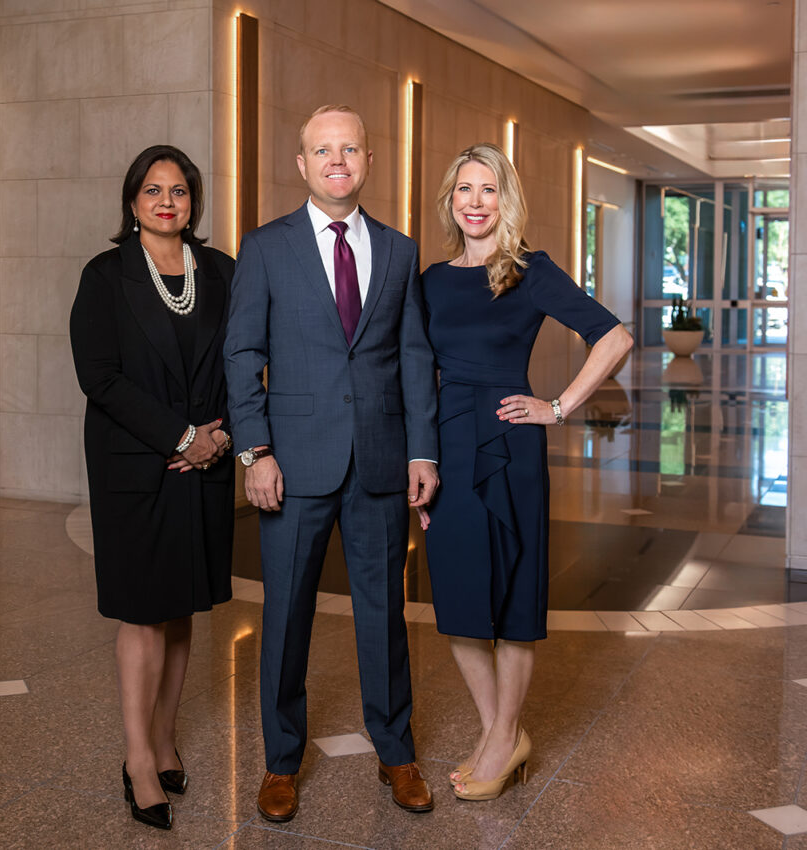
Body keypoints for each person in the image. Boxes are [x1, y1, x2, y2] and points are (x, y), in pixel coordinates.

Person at [224, 105, 440, 822]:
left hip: (379, 464)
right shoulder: (265, 248)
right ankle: (281, 762)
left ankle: (396, 752)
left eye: (350, 148)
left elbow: (413, 357)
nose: (337, 161)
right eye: (323, 150)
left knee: (385, 616)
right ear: (302, 164)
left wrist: (420, 449)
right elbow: (243, 354)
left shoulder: (401, 251)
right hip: (292, 466)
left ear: (369, 160)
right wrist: (255, 451)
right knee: (284, 618)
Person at [418, 143, 632, 801]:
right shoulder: (430, 279)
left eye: (488, 190)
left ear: (505, 200)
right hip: (448, 446)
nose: (475, 202)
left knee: (511, 600)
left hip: (511, 447)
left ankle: (501, 735)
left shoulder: (527, 270)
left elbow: (615, 336)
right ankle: (501, 734)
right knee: (455, 604)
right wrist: (418, 459)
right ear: (450, 200)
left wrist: (560, 406)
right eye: (464, 190)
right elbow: (415, 374)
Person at [69, 145, 235, 831]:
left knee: (181, 607)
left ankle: (165, 736)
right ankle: (140, 760)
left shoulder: (222, 271)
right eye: (152, 190)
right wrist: (179, 437)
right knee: (142, 613)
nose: (167, 202)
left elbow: (243, 358)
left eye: (179, 191)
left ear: (193, 200)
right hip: (137, 467)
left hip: (208, 461)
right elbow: (100, 377)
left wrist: (220, 439)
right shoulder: (105, 276)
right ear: (132, 202)